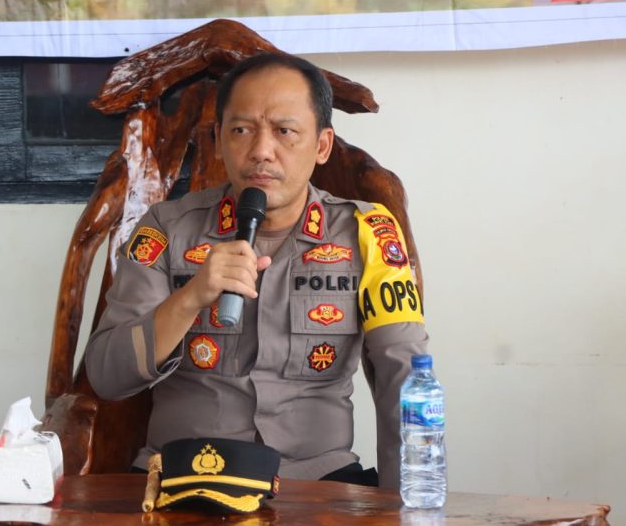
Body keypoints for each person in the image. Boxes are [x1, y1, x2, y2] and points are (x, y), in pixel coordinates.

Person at [84, 53, 428, 488]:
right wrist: (190, 298)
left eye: (285, 131)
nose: (261, 151)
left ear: (322, 145)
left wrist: (407, 503)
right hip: (183, 477)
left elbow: (405, 375)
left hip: (316, 484)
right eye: (242, 130)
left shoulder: (368, 234)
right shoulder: (166, 228)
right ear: (218, 140)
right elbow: (107, 376)